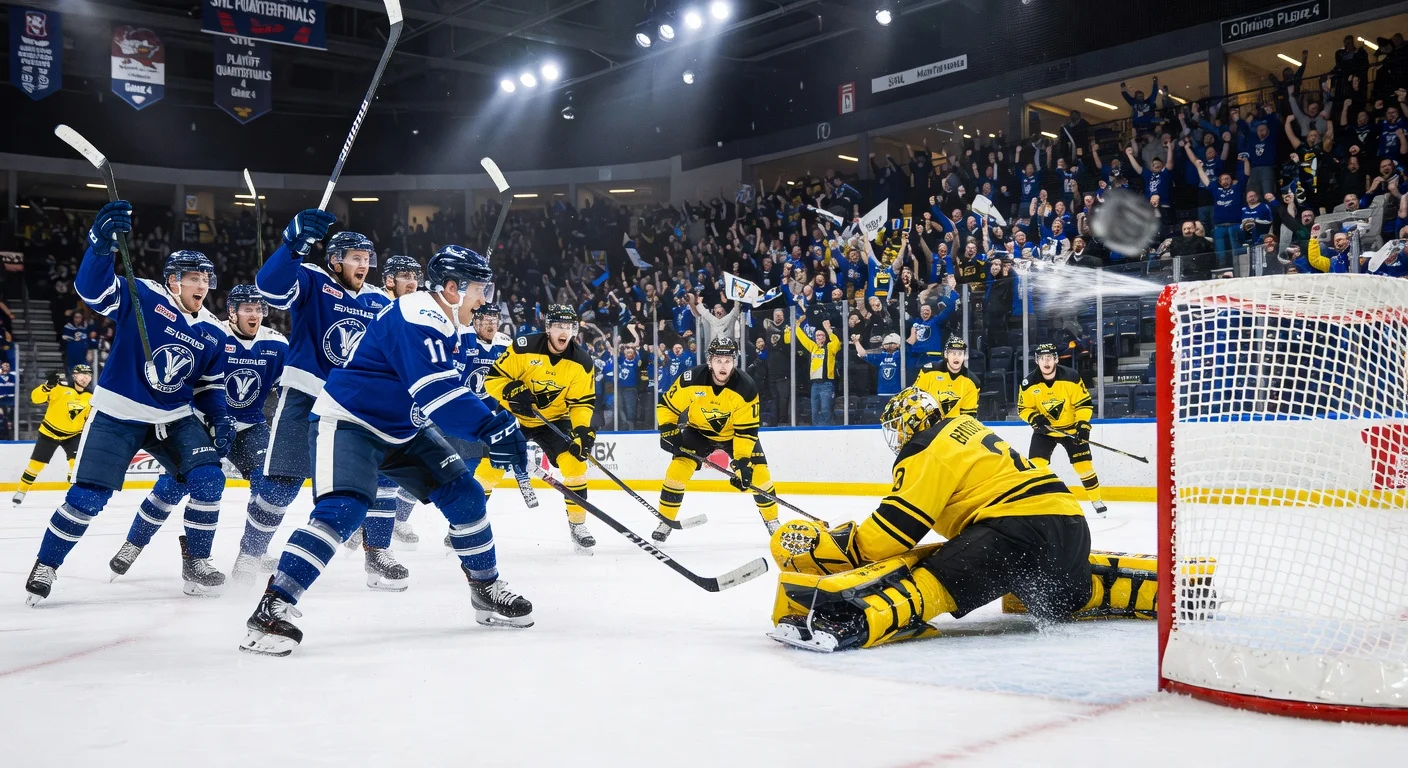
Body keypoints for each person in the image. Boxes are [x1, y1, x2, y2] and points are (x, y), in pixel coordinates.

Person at [239, 246, 532, 657]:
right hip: (350, 422)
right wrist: (491, 427)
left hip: (403, 428)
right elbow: (436, 393)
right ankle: (273, 607)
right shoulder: (419, 315)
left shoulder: (447, 321)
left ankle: (485, 588)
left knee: (465, 496)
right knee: (343, 509)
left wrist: (497, 423)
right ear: (453, 288)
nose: (485, 300)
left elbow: (447, 389)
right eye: (480, 290)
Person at [766, 388, 1155, 653]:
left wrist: (843, 545)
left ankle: (849, 618)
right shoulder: (970, 428)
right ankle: (1152, 587)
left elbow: (894, 533)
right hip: (1071, 525)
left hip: (1014, 530)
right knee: (1058, 597)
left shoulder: (924, 446)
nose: (897, 437)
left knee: (934, 574)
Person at [24, 201, 233, 605]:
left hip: (173, 418)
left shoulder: (213, 330)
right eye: (193, 278)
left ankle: (197, 563)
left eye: (206, 279)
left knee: (209, 479)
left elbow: (208, 386)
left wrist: (220, 417)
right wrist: (101, 245)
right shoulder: (142, 295)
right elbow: (91, 289)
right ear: (173, 281)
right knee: (88, 497)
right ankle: (46, 564)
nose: (202, 286)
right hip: (117, 414)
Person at [108, 285, 287, 590]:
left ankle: (252, 552)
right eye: (247, 308)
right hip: (206, 423)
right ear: (232, 312)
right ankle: (133, 544)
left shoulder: (277, 344)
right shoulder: (213, 335)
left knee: (271, 484)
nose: (254, 314)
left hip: (251, 426)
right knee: (172, 487)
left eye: (259, 309)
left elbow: (287, 389)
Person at [244, 220, 382, 575]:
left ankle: (375, 554)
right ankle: (250, 555)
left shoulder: (379, 299)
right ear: (335, 261)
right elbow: (269, 288)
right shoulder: (311, 278)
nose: (363, 265)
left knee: (364, 484)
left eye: (367, 258)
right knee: (280, 485)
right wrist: (293, 245)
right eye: (355, 258)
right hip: (305, 396)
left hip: (353, 406)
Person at [483, 304, 598, 554]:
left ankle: (578, 526)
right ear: (548, 329)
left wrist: (581, 430)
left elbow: (581, 403)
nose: (564, 332)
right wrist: (511, 391)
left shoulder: (582, 361)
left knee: (577, 466)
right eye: (559, 326)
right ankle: (468, 522)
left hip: (555, 420)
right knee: (489, 469)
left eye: (569, 327)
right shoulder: (524, 347)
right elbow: (492, 379)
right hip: (514, 417)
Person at [340, 255, 425, 591]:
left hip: (394, 407)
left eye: (415, 276)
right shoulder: (372, 303)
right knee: (345, 486)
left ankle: (378, 552)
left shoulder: (417, 312)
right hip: (355, 404)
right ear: (388, 280)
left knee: (388, 481)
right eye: (404, 276)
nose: (412, 282)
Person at [653, 336, 777, 542]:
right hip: (698, 432)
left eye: (727, 360)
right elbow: (667, 406)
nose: (723, 365)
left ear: (734, 362)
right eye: (718, 360)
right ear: (710, 361)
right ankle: (666, 521)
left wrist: (743, 462)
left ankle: (772, 522)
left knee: (760, 475)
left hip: (735, 436)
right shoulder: (691, 379)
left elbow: (746, 431)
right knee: (677, 471)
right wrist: (667, 428)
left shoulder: (746, 388)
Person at [439, 304, 514, 551]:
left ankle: (462, 524)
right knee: (433, 474)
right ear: (475, 321)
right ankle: (398, 518)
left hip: (487, 421)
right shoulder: (463, 337)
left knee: (477, 473)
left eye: (495, 319)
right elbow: (453, 377)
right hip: (459, 414)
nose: (491, 324)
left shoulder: (506, 344)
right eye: (485, 320)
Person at [1018, 343, 1106, 517]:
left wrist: (1082, 425)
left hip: (1071, 429)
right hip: (1045, 432)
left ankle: (1096, 500)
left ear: (1056, 359)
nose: (1046, 361)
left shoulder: (1071, 377)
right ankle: (1038, 502)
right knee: (1036, 466)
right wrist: (1035, 419)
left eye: (1050, 357)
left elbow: (1084, 404)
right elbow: (1023, 409)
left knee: (1084, 466)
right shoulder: (1028, 383)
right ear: (1037, 361)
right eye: (1042, 358)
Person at [12, 365, 93, 505]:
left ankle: (75, 495)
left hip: (73, 435)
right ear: (74, 376)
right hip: (49, 433)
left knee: (77, 465)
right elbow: (35, 398)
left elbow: (88, 417)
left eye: (88, 374)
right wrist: (47, 387)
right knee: (36, 465)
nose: (85, 377)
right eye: (82, 374)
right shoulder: (58, 387)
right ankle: (22, 490)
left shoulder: (90, 396)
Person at [913, 337, 979, 418]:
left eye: (960, 353)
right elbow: (914, 400)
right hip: (928, 425)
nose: (956, 357)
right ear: (946, 354)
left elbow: (968, 416)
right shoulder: (929, 371)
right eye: (953, 353)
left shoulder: (972, 381)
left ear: (965, 356)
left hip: (953, 427)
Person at [793, 317, 841, 425]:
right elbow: (802, 338)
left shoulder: (829, 347)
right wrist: (797, 325)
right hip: (814, 385)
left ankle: (826, 431)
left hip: (826, 384)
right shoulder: (813, 347)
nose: (819, 338)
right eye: (817, 336)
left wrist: (829, 330)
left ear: (825, 337)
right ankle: (816, 430)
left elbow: (837, 343)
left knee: (825, 410)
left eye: (822, 335)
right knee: (814, 411)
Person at [853, 332, 902, 399]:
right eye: (887, 343)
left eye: (892, 343)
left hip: (897, 393)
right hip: (882, 392)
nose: (889, 345)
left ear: (898, 345)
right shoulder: (881, 356)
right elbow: (863, 354)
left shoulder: (901, 356)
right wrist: (856, 342)